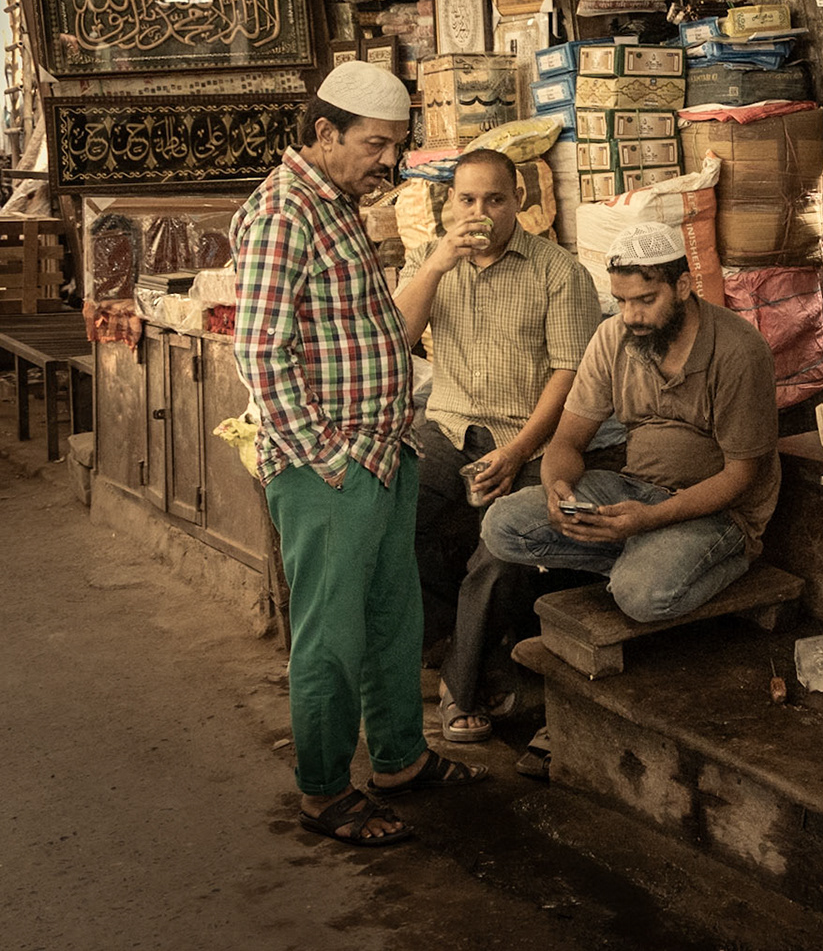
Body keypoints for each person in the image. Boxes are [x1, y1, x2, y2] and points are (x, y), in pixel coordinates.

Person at [232, 62, 485, 849]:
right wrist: (327, 457)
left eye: (396, 146)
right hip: (331, 471)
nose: (388, 161)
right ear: (324, 132)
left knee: (390, 622)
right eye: (375, 144)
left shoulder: (335, 203)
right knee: (332, 639)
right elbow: (261, 352)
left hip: (382, 453)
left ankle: (400, 760)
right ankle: (324, 791)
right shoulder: (284, 212)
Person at [480, 219, 780, 643]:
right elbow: (567, 441)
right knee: (502, 525)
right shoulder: (613, 337)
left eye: (645, 300)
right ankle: (642, 556)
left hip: (716, 513)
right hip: (634, 490)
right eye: (621, 301)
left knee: (641, 597)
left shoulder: (739, 351)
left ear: (682, 286)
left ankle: (715, 558)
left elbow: (741, 476)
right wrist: (557, 489)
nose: (631, 316)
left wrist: (651, 520)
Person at [393, 148, 600, 743]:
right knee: (390, 513)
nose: (479, 212)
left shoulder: (558, 272)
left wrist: (515, 452)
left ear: (519, 202)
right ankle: (442, 641)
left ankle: (463, 685)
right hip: (449, 429)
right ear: (449, 202)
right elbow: (397, 338)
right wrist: (437, 265)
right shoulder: (430, 261)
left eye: (495, 199)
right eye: (467, 199)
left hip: (530, 439)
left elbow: (569, 376)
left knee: (503, 547)